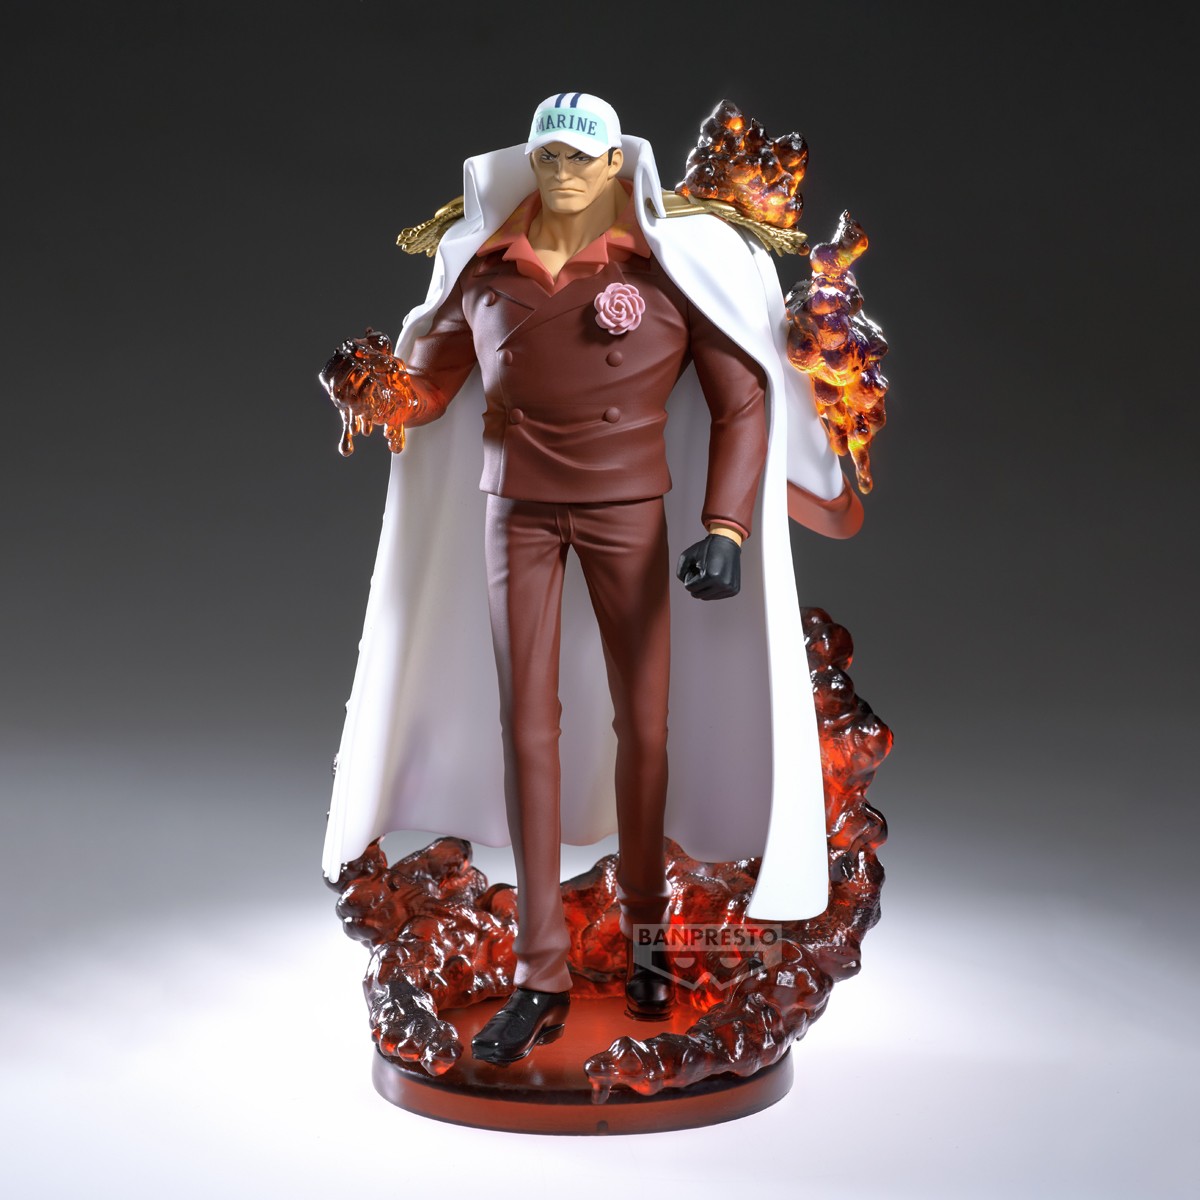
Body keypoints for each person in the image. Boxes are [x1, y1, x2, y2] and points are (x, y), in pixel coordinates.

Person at [322, 93, 862, 1066]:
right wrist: (375, 387)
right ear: (532, 161)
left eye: (582, 157)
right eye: (550, 156)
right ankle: (540, 976)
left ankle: (651, 944)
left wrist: (727, 528)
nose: (564, 172)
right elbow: (431, 388)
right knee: (526, 730)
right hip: (516, 510)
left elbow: (742, 398)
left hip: (626, 508)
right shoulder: (486, 269)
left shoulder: (665, 269)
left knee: (645, 730)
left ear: (617, 165)